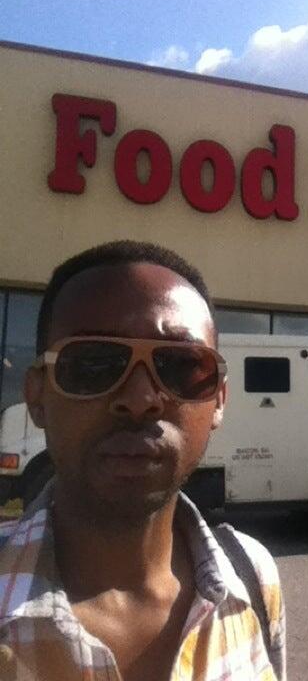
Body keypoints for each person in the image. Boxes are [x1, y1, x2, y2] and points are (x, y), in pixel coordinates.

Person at [0, 240, 286, 681]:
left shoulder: (253, 578)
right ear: (37, 395)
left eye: (181, 365)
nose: (140, 399)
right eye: (93, 363)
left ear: (218, 401)